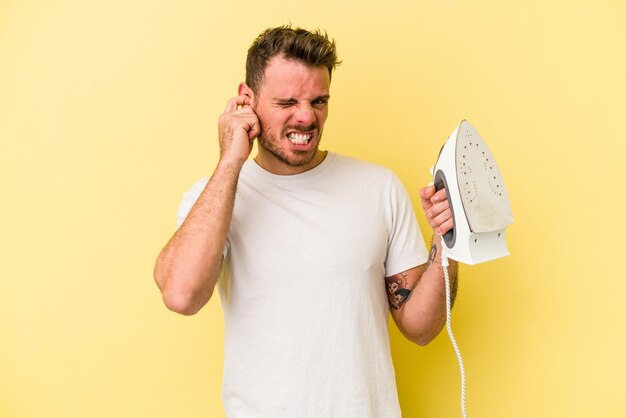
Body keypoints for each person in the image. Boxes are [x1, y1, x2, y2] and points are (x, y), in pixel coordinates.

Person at [154, 25, 458, 418]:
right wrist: (231, 159)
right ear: (246, 99)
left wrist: (447, 241)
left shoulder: (378, 186)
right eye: (287, 102)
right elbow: (181, 295)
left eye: (319, 101)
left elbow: (421, 328)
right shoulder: (214, 198)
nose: (306, 117)